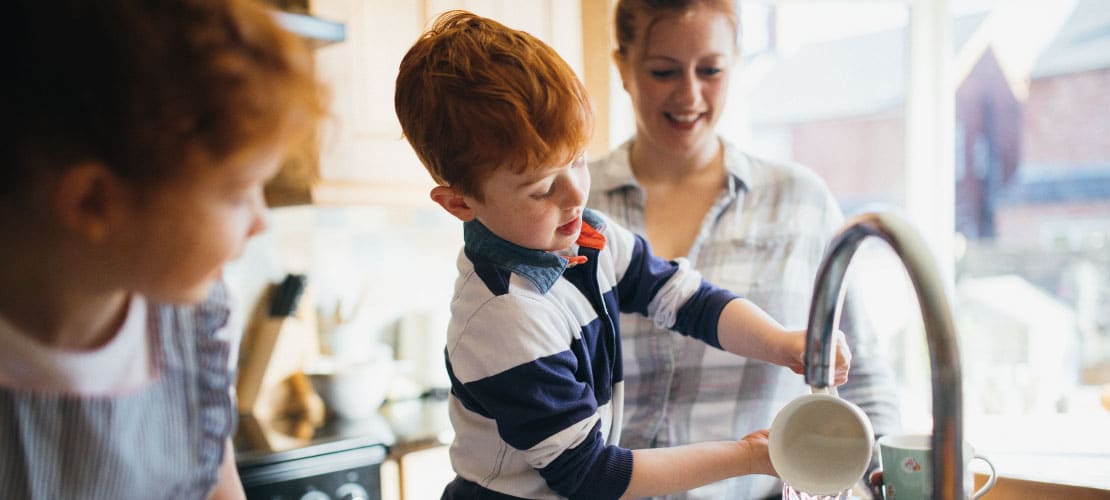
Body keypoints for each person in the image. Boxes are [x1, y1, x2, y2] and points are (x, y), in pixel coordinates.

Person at [394, 10, 852, 500]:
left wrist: (781, 342)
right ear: (459, 203)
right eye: (543, 186)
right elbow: (593, 475)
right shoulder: (503, 317)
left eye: (577, 160)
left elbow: (686, 300)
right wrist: (750, 456)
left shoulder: (584, 235)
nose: (575, 194)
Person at [0, 0, 325, 498]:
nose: (261, 221)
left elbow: (219, 488)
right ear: (94, 201)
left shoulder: (191, 328)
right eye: (238, 193)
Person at [587, 1, 903, 498]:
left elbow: (861, 380)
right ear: (623, 67)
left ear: (736, 63)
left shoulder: (799, 202)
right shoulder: (572, 206)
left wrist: (882, 480)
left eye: (710, 70)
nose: (689, 94)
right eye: (663, 70)